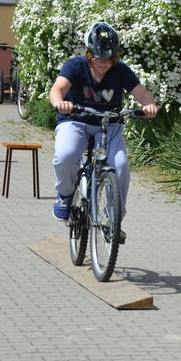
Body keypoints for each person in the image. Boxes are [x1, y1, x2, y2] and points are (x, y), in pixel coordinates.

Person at [49, 22, 158, 230]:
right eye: (99, 58)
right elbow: (57, 89)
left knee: (120, 166)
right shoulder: (75, 66)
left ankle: (114, 218)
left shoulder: (121, 71)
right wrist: (59, 102)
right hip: (76, 120)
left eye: (109, 58)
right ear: (90, 54)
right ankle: (65, 194)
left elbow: (142, 94)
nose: (104, 63)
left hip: (109, 123)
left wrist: (149, 105)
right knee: (66, 155)